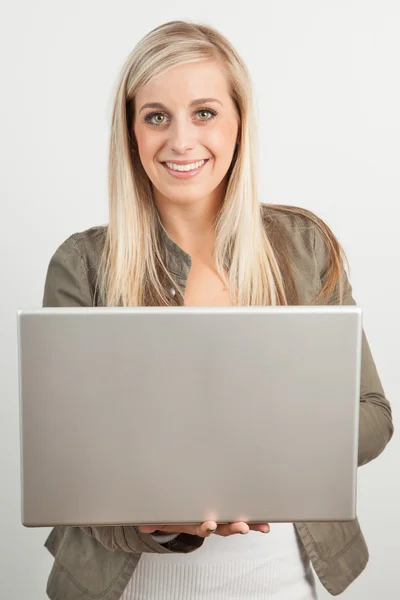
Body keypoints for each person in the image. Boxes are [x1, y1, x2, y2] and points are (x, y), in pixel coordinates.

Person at [41, 20, 394, 600]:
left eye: (204, 112)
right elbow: (64, 465)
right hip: (131, 583)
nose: (181, 141)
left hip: (282, 577)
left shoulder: (305, 246)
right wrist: (152, 518)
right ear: (131, 132)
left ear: (239, 124)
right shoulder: (82, 264)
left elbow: (373, 416)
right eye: (157, 116)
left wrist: (265, 459)